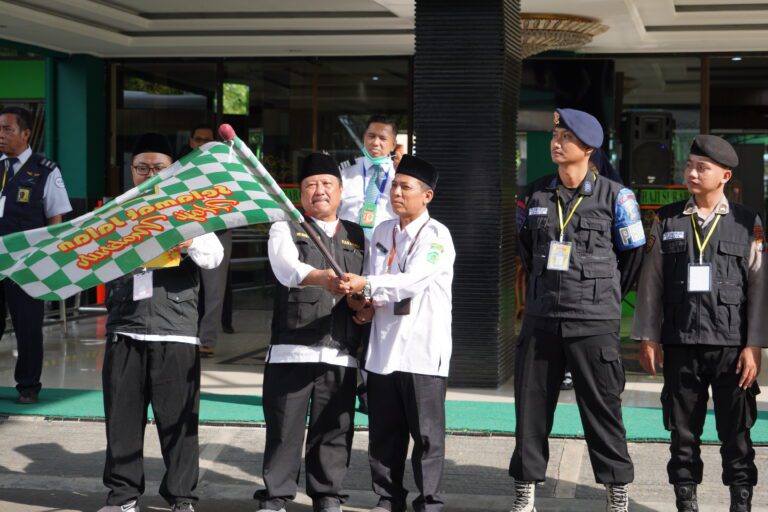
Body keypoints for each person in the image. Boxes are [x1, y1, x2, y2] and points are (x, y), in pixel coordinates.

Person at [510, 109, 645, 512]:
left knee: (603, 409)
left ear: (588, 148)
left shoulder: (617, 196)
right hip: (541, 318)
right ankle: (525, 492)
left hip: (594, 321)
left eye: (566, 137)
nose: (556, 142)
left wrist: (601, 295)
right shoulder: (533, 194)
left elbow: (633, 256)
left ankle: (616, 493)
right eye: (555, 134)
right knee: (531, 408)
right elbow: (526, 249)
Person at [631, 135, 765, 512]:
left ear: (724, 175)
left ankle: (741, 502)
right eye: (689, 165)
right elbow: (651, 284)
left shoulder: (748, 222)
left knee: (736, 433)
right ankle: (685, 502)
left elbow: (759, 287)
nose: (691, 173)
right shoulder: (667, 218)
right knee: (683, 434)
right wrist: (648, 337)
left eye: (701, 167)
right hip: (680, 343)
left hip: (731, 348)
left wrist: (754, 345)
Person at [99, 133, 223, 512]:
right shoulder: (116, 209)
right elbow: (95, 260)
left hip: (176, 330)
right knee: (122, 420)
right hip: (125, 327)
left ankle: (182, 497)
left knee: (179, 422)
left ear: (174, 170)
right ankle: (122, 496)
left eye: (159, 167)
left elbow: (213, 256)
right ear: (131, 171)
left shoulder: (190, 209)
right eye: (142, 168)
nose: (150, 174)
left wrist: (184, 238)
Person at [342, 154, 455, 512]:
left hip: (422, 351)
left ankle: (430, 502)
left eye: (406, 187)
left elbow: (412, 280)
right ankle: (388, 498)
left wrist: (368, 285)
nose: (397, 192)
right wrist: (362, 304)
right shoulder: (382, 232)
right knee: (384, 436)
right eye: (394, 185)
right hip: (382, 349)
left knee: (426, 437)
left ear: (427, 196)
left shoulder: (437, 236)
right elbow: (374, 287)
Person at [254, 152, 365, 512]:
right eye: (311, 185)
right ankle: (275, 496)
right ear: (300, 192)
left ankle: (328, 495)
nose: (319, 191)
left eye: (326, 184)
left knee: (334, 429)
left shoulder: (357, 234)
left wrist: (364, 306)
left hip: (341, 348)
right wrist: (322, 279)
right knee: (284, 429)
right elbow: (285, 267)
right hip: (292, 348)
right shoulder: (285, 225)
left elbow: (369, 284)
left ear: (340, 190)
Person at [0, 106, 72, 404]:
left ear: (26, 134)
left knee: (27, 327)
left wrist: (47, 258)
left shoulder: (45, 169)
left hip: (26, 265)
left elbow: (56, 216)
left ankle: (28, 386)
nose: (1, 135)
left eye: (7, 129)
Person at [187, 125, 233, 356]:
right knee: (185, 286)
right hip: (187, 233)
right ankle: (186, 336)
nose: (203, 143)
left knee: (215, 290)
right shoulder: (181, 169)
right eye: (198, 139)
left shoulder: (225, 169)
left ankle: (207, 340)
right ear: (191, 142)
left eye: (207, 140)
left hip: (219, 231)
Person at [338, 114, 399, 238]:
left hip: (386, 245)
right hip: (346, 245)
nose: (376, 143)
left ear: (393, 144)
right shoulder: (345, 172)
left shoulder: (398, 175)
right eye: (371, 136)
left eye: (383, 138)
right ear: (364, 138)